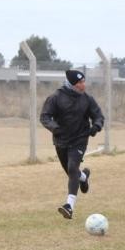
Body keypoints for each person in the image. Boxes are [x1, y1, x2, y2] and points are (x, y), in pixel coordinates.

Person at [40, 69, 104, 220]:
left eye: (84, 81)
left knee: (72, 168)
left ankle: (69, 206)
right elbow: (44, 117)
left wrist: (96, 126)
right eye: (80, 83)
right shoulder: (56, 97)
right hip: (61, 141)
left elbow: (98, 115)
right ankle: (83, 177)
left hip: (79, 140)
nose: (83, 85)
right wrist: (55, 128)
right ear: (71, 84)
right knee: (71, 172)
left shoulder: (87, 99)